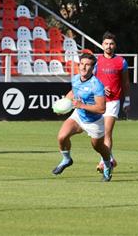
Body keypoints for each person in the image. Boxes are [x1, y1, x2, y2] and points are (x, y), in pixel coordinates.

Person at [52, 53, 113, 182]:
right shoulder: (75, 79)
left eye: (88, 65)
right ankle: (66, 159)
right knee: (62, 137)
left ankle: (107, 165)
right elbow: (73, 92)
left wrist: (81, 105)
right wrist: (62, 105)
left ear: (93, 67)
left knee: (98, 147)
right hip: (78, 116)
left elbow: (101, 108)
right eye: (82, 64)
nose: (84, 67)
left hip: (94, 122)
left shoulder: (96, 85)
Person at [94, 31, 130, 173]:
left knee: (107, 133)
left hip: (113, 102)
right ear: (102, 45)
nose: (109, 46)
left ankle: (104, 163)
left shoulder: (121, 62)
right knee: (97, 135)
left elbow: (126, 82)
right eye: (106, 43)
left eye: (111, 44)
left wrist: (127, 100)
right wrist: (101, 88)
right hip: (98, 102)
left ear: (115, 46)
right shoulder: (96, 61)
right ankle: (110, 159)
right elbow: (92, 81)